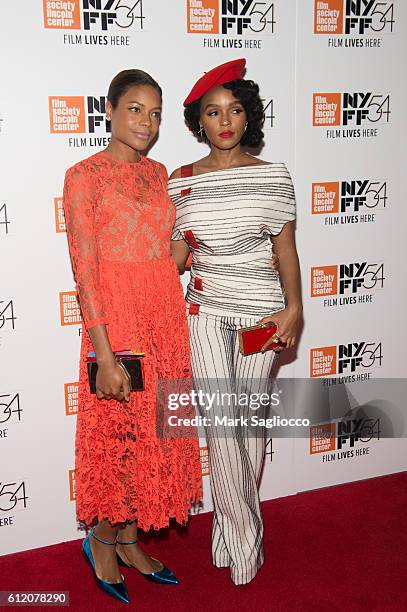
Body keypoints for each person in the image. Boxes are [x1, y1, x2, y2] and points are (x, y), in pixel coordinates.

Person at [63, 69, 202, 604]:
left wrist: (195, 237)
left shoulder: (161, 173)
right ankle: (101, 540)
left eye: (156, 112)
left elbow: (170, 254)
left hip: (164, 316)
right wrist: (103, 349)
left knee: (153, 436)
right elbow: (85, 269)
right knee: (116, 434)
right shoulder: (84, 176)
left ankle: (130, 539)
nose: (147, 122)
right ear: (110, 110)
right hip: (116, 323)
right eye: (135, 109)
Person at [169, 59, 302, 586]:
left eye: (235, 110)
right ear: (198, 121)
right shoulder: (181, 183)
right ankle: (245, 535)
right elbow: (175, 256)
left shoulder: (274, 176)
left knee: (245, 427)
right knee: (222, 425)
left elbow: (286, 251)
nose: (225, 121)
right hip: (203, 311)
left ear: (249, 118)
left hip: (263, 312)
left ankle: (230, 528)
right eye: (212, 112)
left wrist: (294, 309)